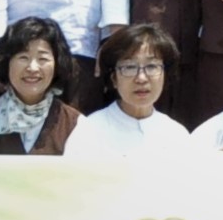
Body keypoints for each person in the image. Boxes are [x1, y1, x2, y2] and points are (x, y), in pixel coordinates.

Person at [0, 17, 81, 156]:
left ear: (57, 64)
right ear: (6, 62)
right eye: (23, 57)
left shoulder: (75, 125)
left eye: (43, 59)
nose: (32, 68)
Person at [65, 24, 190, 161]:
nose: (141, 78)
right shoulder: (89, 130)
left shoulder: (176, 135)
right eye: (129, 67)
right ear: (114, 78)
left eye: (151, 66)